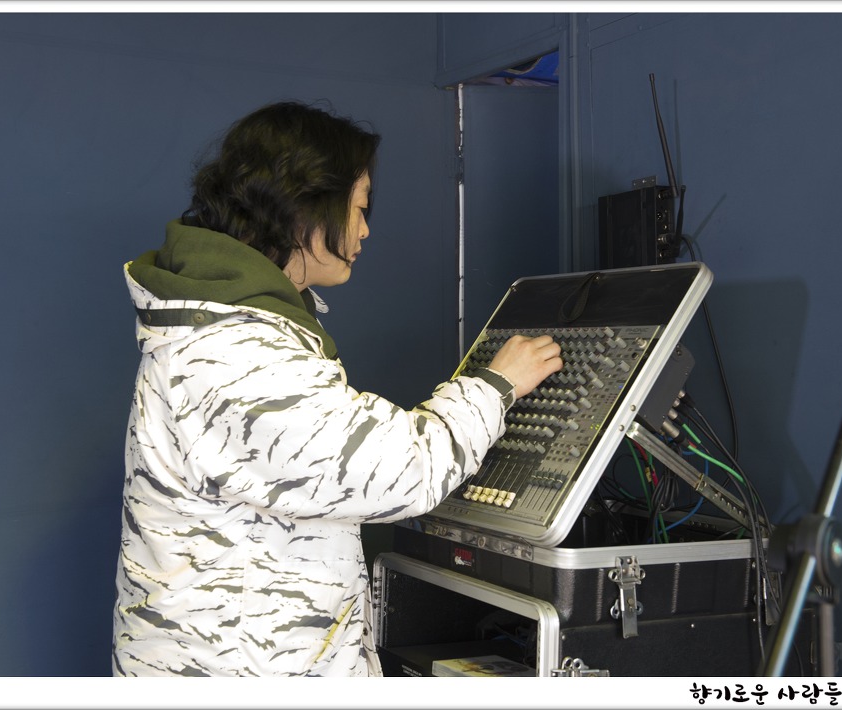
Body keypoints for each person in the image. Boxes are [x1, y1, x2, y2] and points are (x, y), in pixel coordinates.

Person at [112, 100, 562, 677]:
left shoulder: (228, 325)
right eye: (359, 207)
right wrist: (497, 385)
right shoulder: (237, 351)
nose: (366, 229)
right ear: (304, 205)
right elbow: (402, 470)